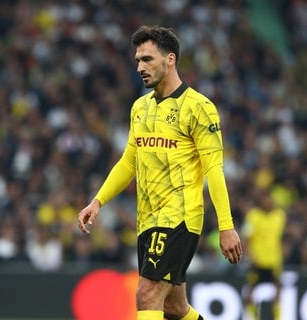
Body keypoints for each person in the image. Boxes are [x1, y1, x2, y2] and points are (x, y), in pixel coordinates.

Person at [78, 25, 243, 320]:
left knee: (147, 294)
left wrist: (226, 226)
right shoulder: (140, 107)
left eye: (148, 59)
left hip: (179, 217)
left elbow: (213, 169)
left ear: (170, 60)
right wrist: (97, 201)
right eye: (138, 61)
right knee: (174, 307)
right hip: (148, 219)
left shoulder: (199, 107)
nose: (140, 67)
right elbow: (129, 161)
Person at [242, 188, 286, 320]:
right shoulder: (253, 216)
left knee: (278, 290)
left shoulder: (280, 215)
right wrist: (250, 256)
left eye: (270, 200)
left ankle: (277, 317)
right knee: (251, 291)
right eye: (265, 200)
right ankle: (253, 317)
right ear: (260, 201)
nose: (268, 202)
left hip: (274, 260)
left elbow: (282, 238)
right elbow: (247, 239)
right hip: (258, 260)